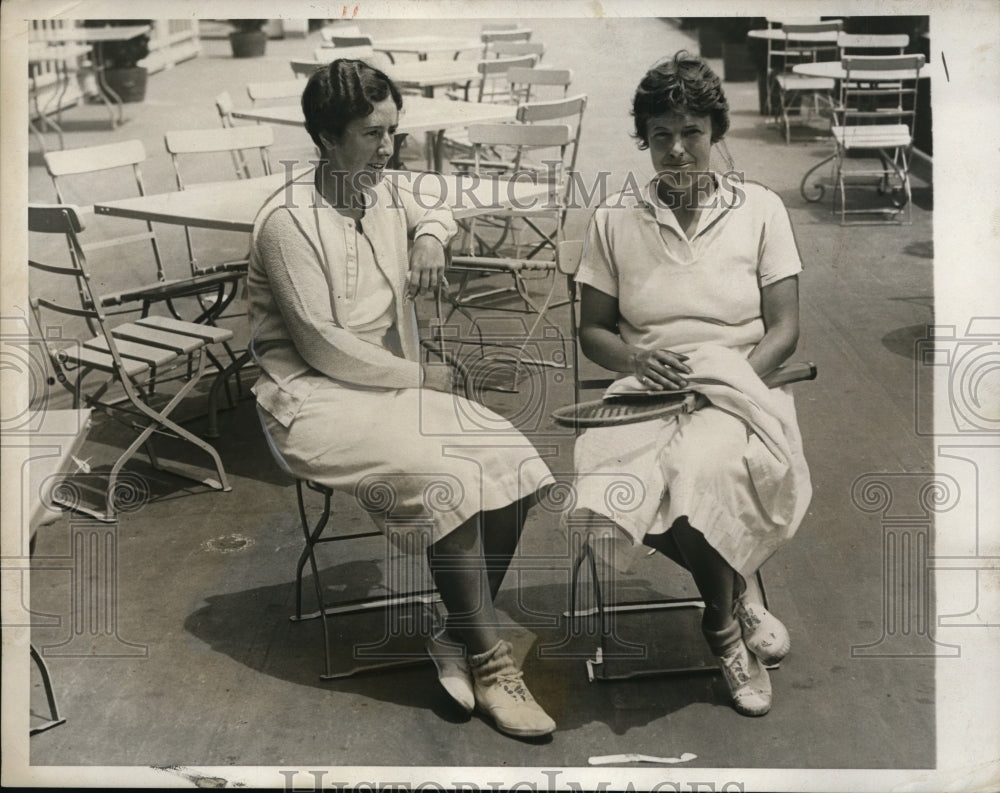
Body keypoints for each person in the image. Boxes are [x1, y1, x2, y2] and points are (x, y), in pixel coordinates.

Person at [247, 59, 556, 738]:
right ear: (327, 139)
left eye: (394, 131)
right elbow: (322, 344)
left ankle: (457, 635)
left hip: (384, 383)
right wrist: (418, 378)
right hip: (312, 398)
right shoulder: (287, 222)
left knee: (516, 460)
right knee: (450, 476)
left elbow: (435, 201)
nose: (390, 147)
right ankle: (492, 658)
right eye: (371, 134)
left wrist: (428, 238)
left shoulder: (381, 186)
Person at [569, 51, 812, 717]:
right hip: (647, 391)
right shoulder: (613, 219)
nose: (677, 150)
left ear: (716, 132)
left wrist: (723, 384)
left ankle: (722, 628)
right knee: (608, 477)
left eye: (692, 133)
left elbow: (785, 328)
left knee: (703, 467)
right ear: (644, 139)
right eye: (661, 135)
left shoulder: (760, 209)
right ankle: (737, 591)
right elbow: (592, 330)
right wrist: (638, 363)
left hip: (739, 389)